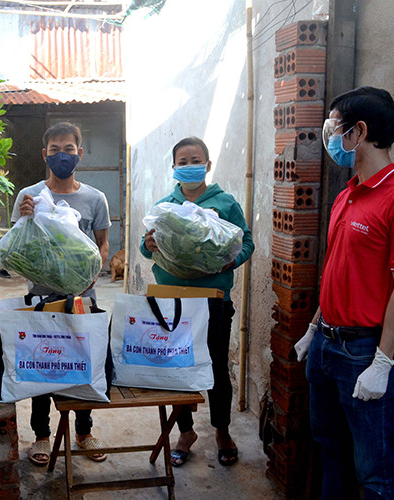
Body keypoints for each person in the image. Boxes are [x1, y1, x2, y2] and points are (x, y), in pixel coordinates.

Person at [294, 87, 394, 499]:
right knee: (328, 448)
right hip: (326, 345)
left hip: (365, 351)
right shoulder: (347, 194)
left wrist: (383, 363)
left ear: (360, 132)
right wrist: (314, 328)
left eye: (335, 126)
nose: (330, 136)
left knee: (374, 470)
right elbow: (338, 271)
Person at [139, 136, 255, 467]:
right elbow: (146, 249)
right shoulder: (166, 207)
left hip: (213, 300)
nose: (190, 166)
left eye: (196, 160)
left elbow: (246, 243)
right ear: (174, 167)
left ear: (208, 164)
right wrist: (148, 243)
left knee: (217, 366)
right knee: (178, 368)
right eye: (183, 161)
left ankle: (222, 430)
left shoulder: (225, 203)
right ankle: (185, 432)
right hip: (174, 301)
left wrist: (230, 260)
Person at [10, 121, 110, 466]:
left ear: (79, 153)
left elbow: (102, 244)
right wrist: (25, 218)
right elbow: (18, 249)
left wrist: (93, 275)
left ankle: (84, 431)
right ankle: (41, 435)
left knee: (82, 364)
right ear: (44, 155)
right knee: (43, 364)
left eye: (69, 149)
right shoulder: (30, 196)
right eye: (55, 150)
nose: (62, 156)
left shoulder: (95, 198)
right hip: (41, 297)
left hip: (83, 297)